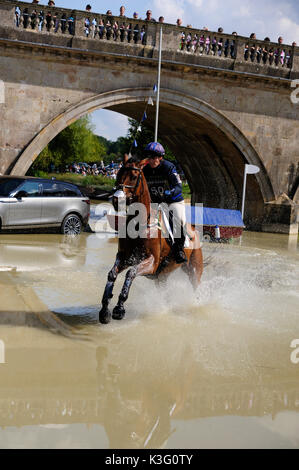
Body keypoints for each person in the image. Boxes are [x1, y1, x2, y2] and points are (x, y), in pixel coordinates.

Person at [143, 142, 187, 264]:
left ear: (160, 157)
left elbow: (179, 186)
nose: (151, 160)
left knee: (178, 220)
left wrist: (170, 193)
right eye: (149, 157)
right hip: (156, 203)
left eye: (154, 157)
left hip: (173, 201)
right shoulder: (145, 170)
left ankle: (179, 250)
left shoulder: (168, 167)